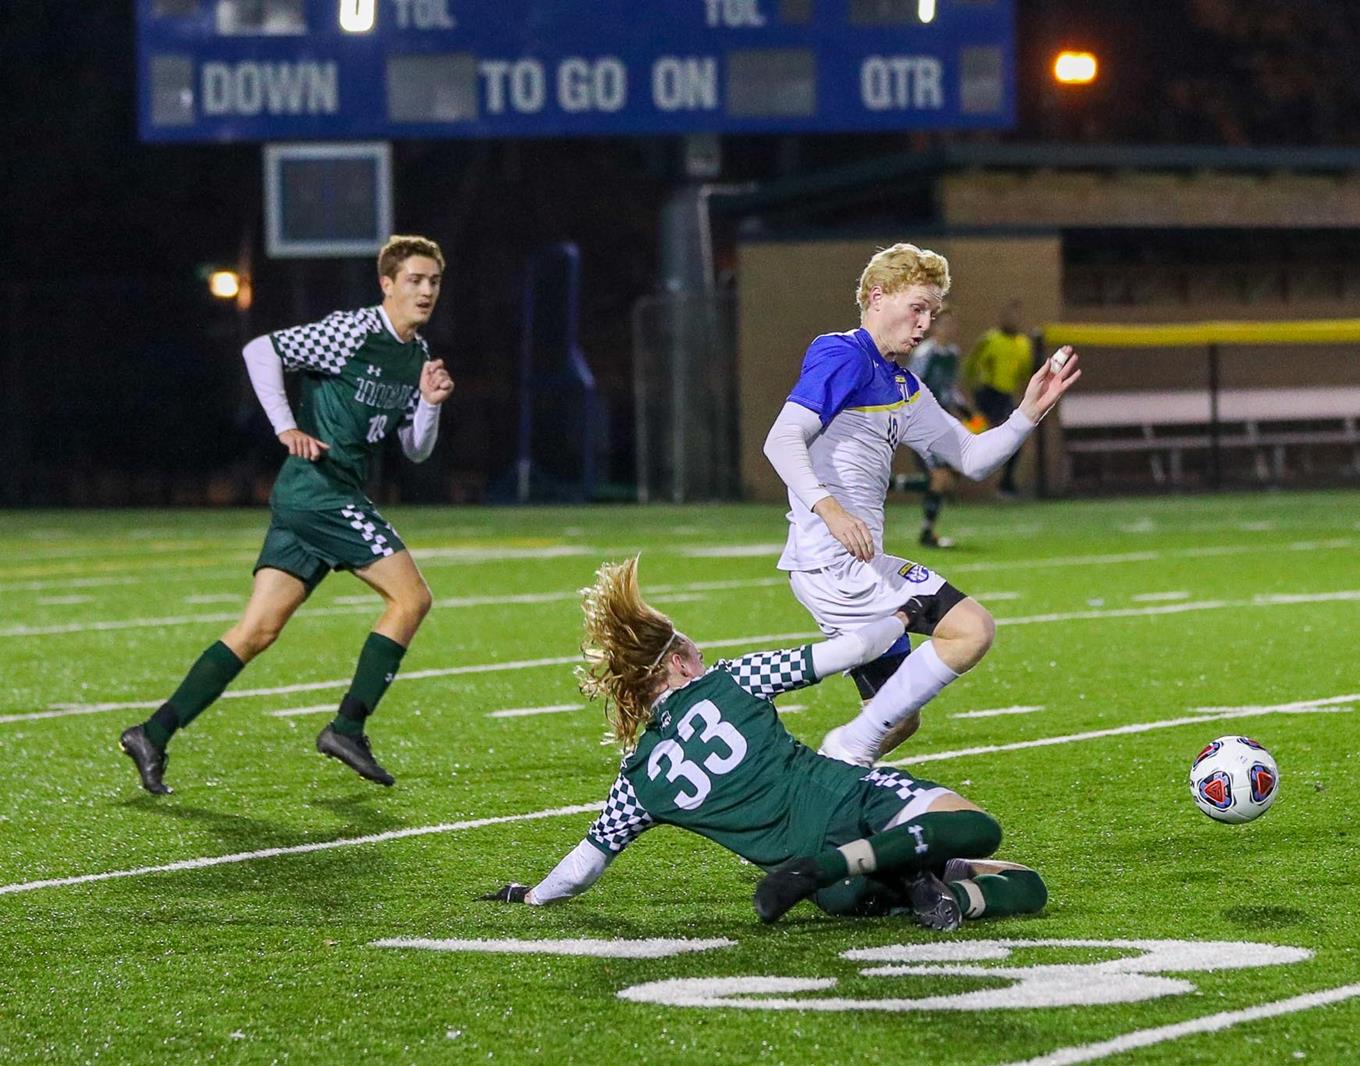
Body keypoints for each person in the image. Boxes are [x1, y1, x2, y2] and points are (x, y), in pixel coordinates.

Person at [477, 558, 1048, 930]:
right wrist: (901, 616)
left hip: (835, 895)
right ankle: (851, 864)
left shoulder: (638, 780)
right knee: (983, 833)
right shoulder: (733, 680)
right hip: (848, 802)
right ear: (677, 663)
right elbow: (849, 652)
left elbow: (582, 867)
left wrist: (531, 897)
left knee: (1003, 881)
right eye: (690, 647)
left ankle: (926, 890)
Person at [118, 236, 455, 794]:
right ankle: (347, 726)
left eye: (434, 281)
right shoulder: (353, 330)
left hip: (320, 495)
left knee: (257, 630)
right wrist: (284, 427)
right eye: (415, 279)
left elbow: (415, 449)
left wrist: (429, 406)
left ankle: (152, 732)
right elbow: (260, 351)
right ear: (387, 284)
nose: (425, 290)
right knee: (412, 598)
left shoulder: (417, 356)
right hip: (321, 493)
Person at [762, 243, 1080, 769]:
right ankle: (838, 750)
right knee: (972, 628)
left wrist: (1027, 413)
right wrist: (831, 510)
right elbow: (781, 439)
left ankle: (815, 783)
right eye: (917, 307)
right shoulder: (844, 353)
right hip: (833, 564)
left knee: (898, 718)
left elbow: (973, 459)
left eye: (932, 312)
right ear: (876, 296)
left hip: (854, 565)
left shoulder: (903, 385)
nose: (925, 322)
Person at [904, 310, 969, 548]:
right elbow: (910, 388)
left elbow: (949, 388)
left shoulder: (952, 353)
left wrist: (968, 413)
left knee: (946, 479)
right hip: (921, 426)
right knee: (940, 478)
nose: (949, 328)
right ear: (933, 326)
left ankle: (889, 483)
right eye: (944, 323)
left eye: (952, 323)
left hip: (941, 426)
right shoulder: (925, 353)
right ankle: (927, 533)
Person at [963, 298, 1036, 499]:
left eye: (1016, 316)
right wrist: (973, 392)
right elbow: (971, 366)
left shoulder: (1023, 344)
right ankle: (950, 479)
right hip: (987, 395)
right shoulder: (990, 340)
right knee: (974, 432)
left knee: (1015, 439)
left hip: (1005, 399)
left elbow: (1025, 374)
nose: (1013, 319)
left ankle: (1005, 484)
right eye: (1009, 315)